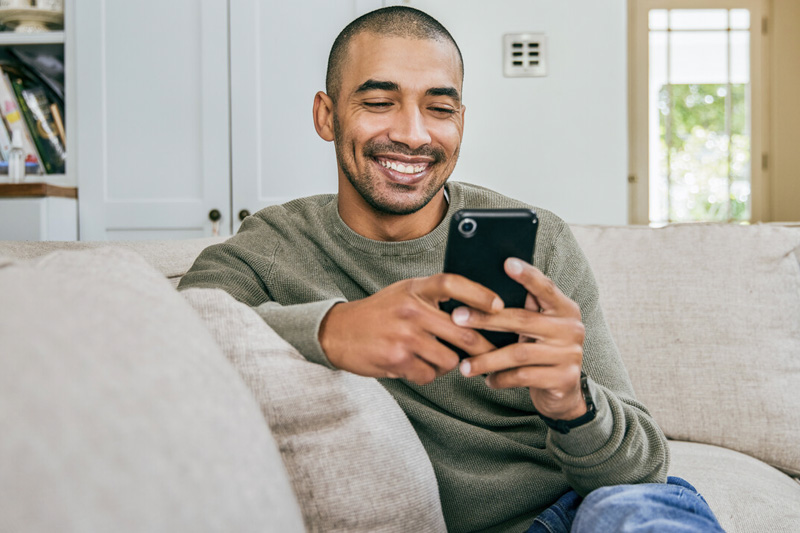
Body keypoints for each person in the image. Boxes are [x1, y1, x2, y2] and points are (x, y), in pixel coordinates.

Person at [179, 6, 724, 533]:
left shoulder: (542, 243)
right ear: (327, 115)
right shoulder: (274, 247)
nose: (414, 134)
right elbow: (172, 334)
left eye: (440, 108)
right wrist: (332, 330)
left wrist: (572, 403)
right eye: (379, 102)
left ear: (460, 120)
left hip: (572, 512)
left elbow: (643, 473)